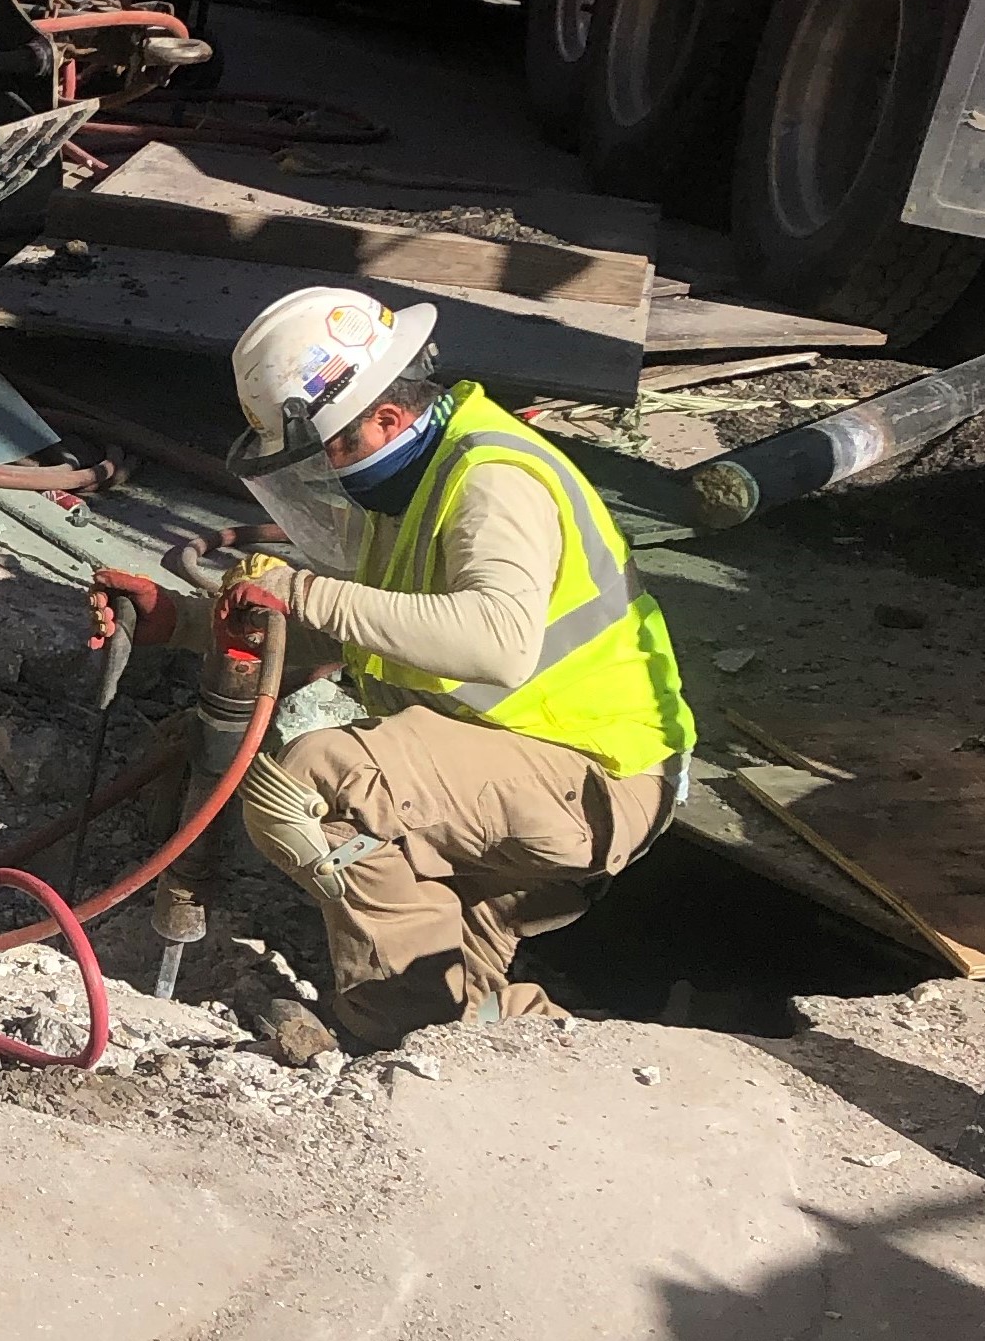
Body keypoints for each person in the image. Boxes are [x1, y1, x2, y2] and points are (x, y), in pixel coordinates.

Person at [156, 288, 694, 1046]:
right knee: (468, 1014)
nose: (330, 476)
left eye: (333, 448)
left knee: (318, 779)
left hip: (595, 777)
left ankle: (408, 1032)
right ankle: (512, 1040)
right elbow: (378, 631)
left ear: (386, 415)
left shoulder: (490, 478)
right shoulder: (412, 488)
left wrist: (305, 590)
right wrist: (177, 623)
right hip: (511, 772)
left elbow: (494, 641)